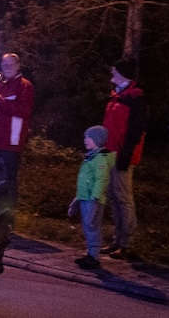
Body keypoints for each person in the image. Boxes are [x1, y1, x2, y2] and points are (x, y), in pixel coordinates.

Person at [100, 58, 147, 260]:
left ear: (122, 73)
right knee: (113, 196)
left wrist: (126, 155)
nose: (112, 73)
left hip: (122, 155)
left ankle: (126, 243)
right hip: (109, 152)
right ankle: (116, 240)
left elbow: (136, 131)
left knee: (123, 197)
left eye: (115, 71)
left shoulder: (135, 98)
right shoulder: (117, 95)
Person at [0, 52, 35, 209]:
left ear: (18, 66)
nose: (7, 68)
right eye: (4, 65)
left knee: (8, 182)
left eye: (11, 64)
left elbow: (24, 111)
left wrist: (0, 101)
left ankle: (7, 223)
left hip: (10, 143)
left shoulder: (25, 86)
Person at [68, 125, 115, 270]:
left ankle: (93, 257)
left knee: (92, 226)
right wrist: (77, 199)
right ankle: (90, 254)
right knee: (88, 227)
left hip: (92, 200)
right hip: (85, 198)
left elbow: (101, 180)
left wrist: (95, 199)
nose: (85, 140)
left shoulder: (100, 159)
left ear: (97, 140)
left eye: (88, 137)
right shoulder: (91, 157)